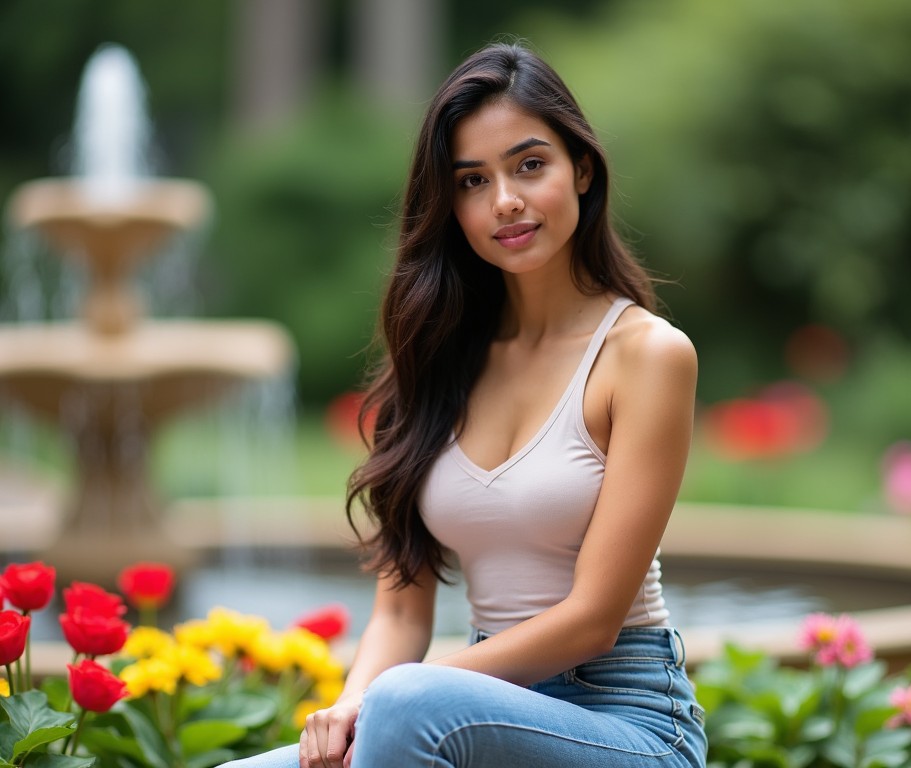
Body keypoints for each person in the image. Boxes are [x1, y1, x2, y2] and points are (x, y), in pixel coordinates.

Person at [224, 40, 705, 768]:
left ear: (581, 167)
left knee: (407, 705)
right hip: (459, 707)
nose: (504, 200)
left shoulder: (646, 356)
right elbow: (398, 610)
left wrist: (397, 698)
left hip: (625, 721)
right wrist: (355, 706)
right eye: (473, 181)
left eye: (529, 164)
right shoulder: (436, 363)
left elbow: (592, 621)